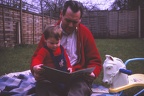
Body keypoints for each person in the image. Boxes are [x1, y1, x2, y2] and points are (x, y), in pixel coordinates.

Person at [30, 1, 102, 96]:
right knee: (43, 88)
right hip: (51, 79)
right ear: (61, 14)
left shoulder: (85, 33)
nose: (70, 25)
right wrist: (35, 69)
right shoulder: (50, 33)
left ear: (80, 20)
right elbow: (37, 57)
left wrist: (93, 73)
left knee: (79, 89)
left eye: (75, 22)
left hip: (76, 79)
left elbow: (96, 61)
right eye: (68, 20)